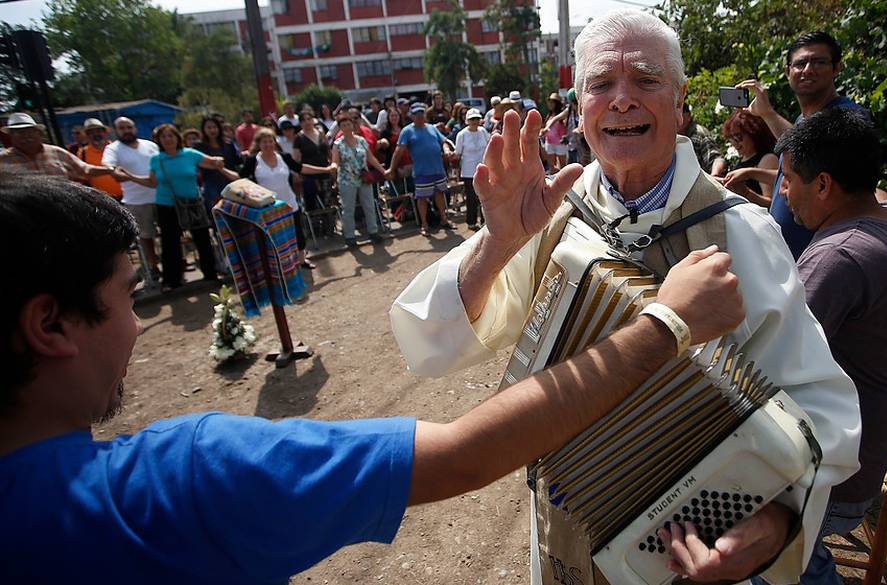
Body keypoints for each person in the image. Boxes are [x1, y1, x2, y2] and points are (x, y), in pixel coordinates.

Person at [0, 168, 744, 583]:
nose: (137, 324)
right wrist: (666, 326)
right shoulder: (180, 482)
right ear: (50, 324)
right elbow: (462, 455)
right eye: (126, 297)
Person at [389, 10, 860, 585]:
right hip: (569, 524)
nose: (622, 99)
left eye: (645, 79)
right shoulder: (546, 220)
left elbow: (820, 404)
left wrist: (773, 520)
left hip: (697, 530)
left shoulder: (742, 231)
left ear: (680, 101)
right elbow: (430, 341)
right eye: (601, 84)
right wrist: (497, 242)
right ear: (578, 107)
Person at [773, 108, 887, 585]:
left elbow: (772, 358)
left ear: (823, 184)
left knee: (778, 560)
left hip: (830, 470)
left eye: (788, 180)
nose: (783, 193)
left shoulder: (837, 257)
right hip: (866, 446)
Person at [735, 31, 866, 260]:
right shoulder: (801, 121)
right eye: (800, 63)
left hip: (823, 256)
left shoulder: (847, 116)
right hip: (788, 258)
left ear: (837, 68)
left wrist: (768, 114)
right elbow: (797, 172)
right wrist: (749, 174)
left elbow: (815, 156)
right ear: (788, 71)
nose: (808, 69)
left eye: (819, 62)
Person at [113, 124, 233, 293]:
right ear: (159, 140)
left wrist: (218, 161)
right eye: (164, 136)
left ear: (177, 137)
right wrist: (130, 177)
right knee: (170, 243)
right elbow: (152, 182)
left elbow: (213, 163)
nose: (168, 139)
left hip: (192, 204)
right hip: (167, 205)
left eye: (171, 135)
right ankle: (171, 280)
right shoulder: (156, 159)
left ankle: (211, 274)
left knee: (202, 238)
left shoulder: (190, 154)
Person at [240, 128, 333, 264]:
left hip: (289, 203)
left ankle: (301, 260)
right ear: (258, 144)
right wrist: (221, 169)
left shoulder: (283, 157)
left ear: (275, 142)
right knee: (273, 237)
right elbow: (240, 177)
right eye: (264, 142)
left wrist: (326, 170)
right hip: (267, 208)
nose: (268, 144)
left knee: (297, 232)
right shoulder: (253, 161)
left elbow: (301, 168)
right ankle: (278, 263)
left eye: (270, 141)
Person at [103, 116, 162, 279]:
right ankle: (153, 266)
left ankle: (176, 263)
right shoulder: (113, 149)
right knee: (146, 236)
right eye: (122, 128)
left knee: (170, 233)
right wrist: (114, 171)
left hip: (162, 197)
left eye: (129, 127)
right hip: (136, 201)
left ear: (135, 128)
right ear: (116, 131)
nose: (126, 131)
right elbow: (109, 166)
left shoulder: (150, 145)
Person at [387, 102, 453, 237]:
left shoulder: (432, 128)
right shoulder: (407, 131)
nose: (419, 116)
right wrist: (391, 169)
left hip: (438, 169)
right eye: (416, 114)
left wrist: (446, 150)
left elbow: (443, 142)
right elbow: (398, 151)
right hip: (421, 171)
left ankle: (444, 219)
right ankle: (424, 224)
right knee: (422, 198)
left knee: (440, 194)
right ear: (412, 116)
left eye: (421, 113)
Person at [0, 113, 114, 181]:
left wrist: (110, 170)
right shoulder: (3, 160)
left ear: (38, 133)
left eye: (29, 131)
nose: (25, 136)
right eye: (18, 132)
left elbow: (85, 170)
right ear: (11, 136)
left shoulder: (57, 152)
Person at [331, 113, 385, 247]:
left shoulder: (361, 140)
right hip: (347, 180)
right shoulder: (338, 144)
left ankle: (373, 232)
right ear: (340, 128)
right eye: (343, 125)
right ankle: (350, 236)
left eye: (348, 124)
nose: (347, 127)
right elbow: (335, 161)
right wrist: (333, 167)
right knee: (348, 208)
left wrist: (383, 171)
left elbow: (371, 158)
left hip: (363, 178)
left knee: (369, 205)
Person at [717, 109, 778, 206]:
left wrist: (746, 193)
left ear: (753, 133)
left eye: (738, 137)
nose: (734, 142)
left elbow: (771, 204)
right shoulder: (742, 159)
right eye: (731, 138)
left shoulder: (767, 159)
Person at [194, 116, 242, 212]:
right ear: (203, 129)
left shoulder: (228, 144)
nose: (212, 130)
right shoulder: (199, 147)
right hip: (211, 185)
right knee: (217, 213)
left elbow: (237, 162)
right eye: (209, 127)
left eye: (214, 127)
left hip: (230, 183)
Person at [293, 111, 333, 227]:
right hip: (309, 174)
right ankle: (315, 228)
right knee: (311, 202)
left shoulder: (320, 133)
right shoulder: (298, 138)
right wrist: (297, 174)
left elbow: (328, 151)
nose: (307, 122)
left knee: (327, 199)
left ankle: (329, 226)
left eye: (309, 119)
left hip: (325, 171)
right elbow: (296, 158)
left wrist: (333, 165)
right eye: (303, 120)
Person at [453, 108, 489, 230]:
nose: (475, 121)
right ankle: (471, 221)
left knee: (484, 196)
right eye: (472, 119)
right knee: (471, 197)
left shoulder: (483, 131)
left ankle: (485, 221)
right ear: (467, 120)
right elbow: (458, 152)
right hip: (469, 172)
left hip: (483, 169)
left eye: (477, 119)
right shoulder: (462, 135)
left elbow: (488, 146)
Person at [78, 118, 123, 199]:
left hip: (127, 198)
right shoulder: (82, 153)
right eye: (91, 132)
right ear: (87, 136)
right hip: (101, 200)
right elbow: (81, 175)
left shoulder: (117, 148)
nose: (96, 134)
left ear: (105, 133)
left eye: (99, 131)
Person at [679, 103, 721, 173]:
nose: (677, 118)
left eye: (680, 114)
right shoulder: (671, 135)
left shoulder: (699, 134)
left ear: (688, 116)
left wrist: (714, 175)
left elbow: (715, 158)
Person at [541, 92, 568, 172]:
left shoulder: (562, 115)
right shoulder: (549, 115)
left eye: (552, 102)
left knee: (562, 166)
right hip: (549, 142)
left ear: (557, 104)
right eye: (549, 102)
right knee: (551, 166)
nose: (550, 104)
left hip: (560, 143)